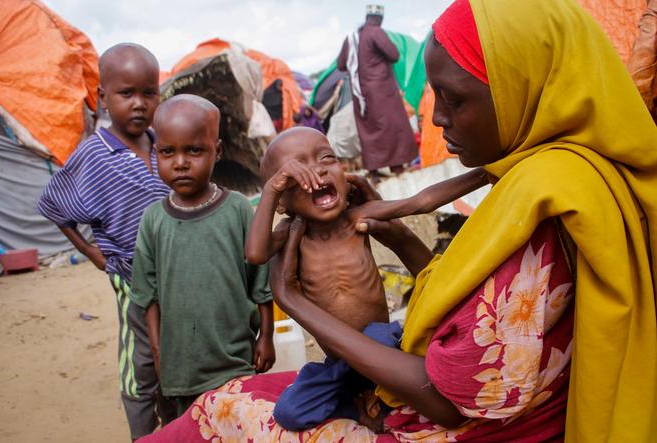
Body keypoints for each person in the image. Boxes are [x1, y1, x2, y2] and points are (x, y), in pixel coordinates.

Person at [137, 0, 657, 441]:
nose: (436, 119)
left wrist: (292, 300)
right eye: (437, 98)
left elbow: (446, 397)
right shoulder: (551, 180)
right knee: (287, 402)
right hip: (378, 365)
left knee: (222, 413)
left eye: (454, 99)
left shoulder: (546, 191)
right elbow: (259, 251)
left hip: (435, 403)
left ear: (520, 86)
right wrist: (410, 233)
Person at [244, 125, 486, 431]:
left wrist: (486, 173)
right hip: (341, 362)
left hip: (384, 344)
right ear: (282, 200)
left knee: (376, 335)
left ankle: (381, 398)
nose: (316, 173)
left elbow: (421, 201)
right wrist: (273, 187)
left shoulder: (357, 218)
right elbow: (255, 253)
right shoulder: (292, 235)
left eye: (326, 159)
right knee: (289, 411)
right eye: (296, 174)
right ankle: (362, 405)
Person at [37, 43, 171, 440]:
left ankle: (176, 425)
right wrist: (93, 253)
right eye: (126, 94)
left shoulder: (162, 143)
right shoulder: (94, 155)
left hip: (176, 272)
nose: (139, 104)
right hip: (131, 277)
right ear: (102, 97)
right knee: (142, 357)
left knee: (175, 350)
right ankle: (143, 431)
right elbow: (54, 205)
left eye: (149, 92)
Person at [130, 94, 275, 422]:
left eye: (193, 150)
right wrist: (157, 351)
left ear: (217, 151)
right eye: (168, 152)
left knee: (240, 424)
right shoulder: (153, 220)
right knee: (192, 428)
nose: (180, 162)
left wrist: (266, 336)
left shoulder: (237, 208)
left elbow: (261, 281)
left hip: (236, 358)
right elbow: (147, 296)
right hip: (181, 365)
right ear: (156, 155)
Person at [336, 4, 418, 183]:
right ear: (379, 18)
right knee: (392, 127)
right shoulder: (376, 32)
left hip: (360, 95)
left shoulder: (351, 38)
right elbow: (394, 54)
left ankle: (373, 172)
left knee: (369, 131)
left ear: (367, 17)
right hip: (382, 92)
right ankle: (397, 167)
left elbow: (341, 64)